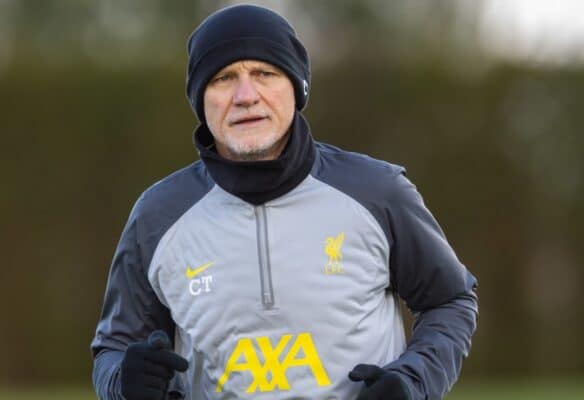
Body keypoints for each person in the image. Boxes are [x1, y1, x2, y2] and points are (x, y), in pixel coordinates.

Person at [91, 4, 478, 400]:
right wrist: (124, 383)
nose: (245, 96)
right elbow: (112, 349)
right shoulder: (156, 215)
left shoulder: (378, 192)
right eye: (224, 78)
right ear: (199, 100)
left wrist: (413, 381)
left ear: (297, 88)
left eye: (265, 73)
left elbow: (450, 300)